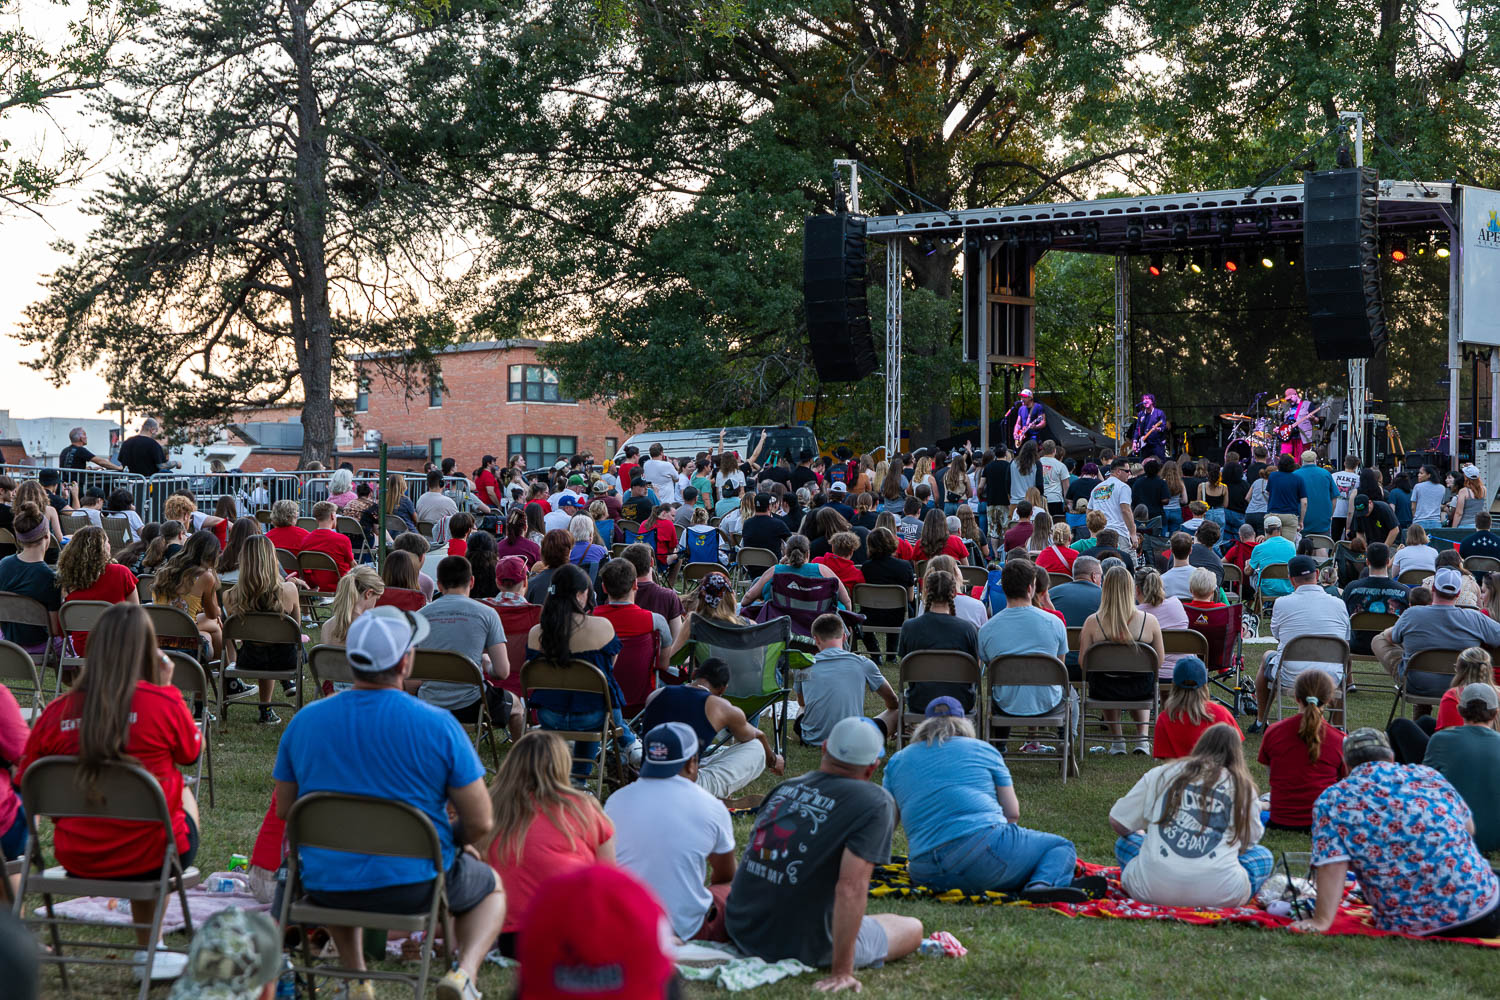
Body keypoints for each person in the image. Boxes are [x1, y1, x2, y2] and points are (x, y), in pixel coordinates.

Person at [273, 607, 504, 1000]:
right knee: (492, 887)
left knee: (343, 858)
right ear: (406, 660)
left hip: (326, 884)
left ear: (352, 659)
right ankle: (464, 974)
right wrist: (450, 840)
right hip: (416, 885)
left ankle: (357, 977)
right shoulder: (439, 725)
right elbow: (481, 821)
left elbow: (286, 812)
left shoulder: (305, 722)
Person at [20, 604, 200, 980]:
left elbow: (28, 783)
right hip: (154, 854)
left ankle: (149, 950)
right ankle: (151, 948)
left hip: (80, 854)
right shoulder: (162, 701)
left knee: (149, 805)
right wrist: (165, 689)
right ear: (147, 651)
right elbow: (191, 752)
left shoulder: (55, 712)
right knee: (178, 791)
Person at [727, 716, 923, 988]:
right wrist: (842, 970)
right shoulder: (875, 803)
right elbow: (851, 887)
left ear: (824, 749)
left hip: (741, 927)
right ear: (872, 767)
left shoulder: (785, 788)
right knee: (912, 927)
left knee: (877, 921)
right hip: (800, 943)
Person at [883, 697, 1100, 902]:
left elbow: (886, 825)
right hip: (983, 856)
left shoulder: (897, 760)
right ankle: (1042, 885)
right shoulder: (984, 750)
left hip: (925, 871)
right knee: (1060, 847)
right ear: (965, 723)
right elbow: (1012, 813)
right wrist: (1008, 852)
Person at [1293, 727, 1500, 938]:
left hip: (1409, 923)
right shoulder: (1427, 775)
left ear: (1346, 766)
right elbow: (1469, 828)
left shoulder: (1332, 799)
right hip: (1483, 909)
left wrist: (1322, 920)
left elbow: (1332, 864)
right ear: (1391, 757)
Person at [481, 731, 613, 958]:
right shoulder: (583, 808)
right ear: (563, 765)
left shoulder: (490, 808)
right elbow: (610, 879)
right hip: (574, 935)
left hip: (511, 940)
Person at [1108, 724, 1271, 908]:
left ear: (1200, 746)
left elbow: (1118, 820)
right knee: (1263, 856)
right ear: (1237, 755)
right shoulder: (1242, 787)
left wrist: (1141, 836)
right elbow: (1249, 842)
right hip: (1221, 894)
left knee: (1125, 843)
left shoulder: (1161, 773)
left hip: (1150, 890)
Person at [605, 722, 737, 943]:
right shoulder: (711, 806)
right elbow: (725, 875)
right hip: (687, 929)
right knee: (731, 891)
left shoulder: (615, 801)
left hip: (627, 925)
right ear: (692, 763)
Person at [527, 563, 642, 772]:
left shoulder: (536, 633)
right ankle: (582, 777)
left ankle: (625, 743)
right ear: (581, 594)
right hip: (593, 717)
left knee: (591, 699)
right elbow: (608, 673)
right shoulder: (602, 627)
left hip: (548, 715)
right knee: (596, 698)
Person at [414, 555, 522, 737]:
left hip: (428, 703)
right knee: (517, 705)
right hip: (472, 705)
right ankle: (521, 761)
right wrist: (486, 664)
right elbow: (503, 671)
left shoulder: (419, 616)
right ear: (471, 581)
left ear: (439, 585)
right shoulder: (487, 614)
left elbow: (411, 670)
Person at [1250, 555, 1351, 731]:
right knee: (1339, 666)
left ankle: (1260, 721)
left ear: (1291, 580)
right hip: (1330, 675)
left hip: (1291, 674)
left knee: (1268, 657)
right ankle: (1338, 727)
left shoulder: (1282, 603)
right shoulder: (1338, 604)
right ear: (1317, 574)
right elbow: (1345, 640)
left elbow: (1278, 635)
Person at [1373, 567, 1500, 699]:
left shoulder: (1412, 614)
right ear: (1458, 593)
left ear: (1433, 589)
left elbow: (1390, 638)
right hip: (1463, 685)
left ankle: (1419, 705)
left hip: (1416, 684)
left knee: (1379, 639)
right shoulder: (1475, 618)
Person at [1078, 565, 1164, 754]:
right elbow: (1158, 661)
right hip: (1141, 689)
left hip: (1104, 690)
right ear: (1131, 588)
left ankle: (1118, 740)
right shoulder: (1149, 621)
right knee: (1142, 675)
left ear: (1105, 589)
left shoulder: (1093, 622)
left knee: (1104, 676)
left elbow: (1084, 662)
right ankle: (1142, 739)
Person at [977, 559, 1067, 733]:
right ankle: (1065, 744)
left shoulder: (987, 629)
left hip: (1005, 702)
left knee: (1002, 688)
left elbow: (990, 667)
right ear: (1030, 588)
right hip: (1048, 701)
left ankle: (1000, 745)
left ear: (1004, 589)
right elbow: (1059, 667)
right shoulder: (1055, 623)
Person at [1421, 683, 1500, 853]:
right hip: (1493, 836)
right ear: (1495, 712)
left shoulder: (1440, 740)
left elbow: (1424, 791)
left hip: (1453, 833)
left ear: (1459, 710)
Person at [796, 613, 899, 743]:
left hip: (811, 738)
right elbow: (893, 700)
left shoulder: (803, 665)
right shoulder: (863, 663)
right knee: (897, 712)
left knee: (802, 709)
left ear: (816, 639)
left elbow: (802, 703)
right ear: (844, 637)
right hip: (854, 738)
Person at [896, 569, 980, 713]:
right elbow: (975, 668)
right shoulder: (968, 629)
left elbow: (906, 664)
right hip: (961, 700)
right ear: (954, 593)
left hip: (920, 700)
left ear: (926, 591)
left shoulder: (909, 627)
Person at [57, 524, 139, 652]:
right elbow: (135, 613)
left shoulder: (68, 580)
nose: (109, 545)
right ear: (102, 548)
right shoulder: (121, 573)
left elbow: (64, 628)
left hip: (83, 647)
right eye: (107, 541)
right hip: (118, 645)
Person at [153, 530, 224, 659]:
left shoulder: (163, 571)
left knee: (212, 625)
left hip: (158, 636)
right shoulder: (205, 577)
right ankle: (223, 673)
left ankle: (224, 672)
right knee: (215, 622)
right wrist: (218, 611)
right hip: (184, 637)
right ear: (211, 554)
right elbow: (212, 613)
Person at [1152, 657, 1240, 758]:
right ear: (1205, 685)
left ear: (1174, 684)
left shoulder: (1166, 717)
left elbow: (1165, 759)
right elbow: (1235, 750)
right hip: (1215, 771)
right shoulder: (1222, 714)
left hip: (1179, 772)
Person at [1342, 542, 1409, 654]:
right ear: (1388, 561)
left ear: (1367, 562)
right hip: (1391, 645)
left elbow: (1343, 617)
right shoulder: (1404, 591)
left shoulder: (1351, 589)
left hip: (1359, 645)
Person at [1135, 568, 1187, 679]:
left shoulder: (1134, 614)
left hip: (1151, 674)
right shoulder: (1176, 604)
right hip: (1184, 671)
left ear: (1137, 589)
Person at [297, 501, 354, 592]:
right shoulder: (342, 539)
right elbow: (352, 565)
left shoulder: (306, 540)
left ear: (316, 519)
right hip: (340, 584)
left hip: (315, 584)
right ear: (332, 516)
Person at [1087, 458, 1138, 550]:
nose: (1129, 473)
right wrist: (1133, 534)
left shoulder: (1097, 488)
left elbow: (1089, 511)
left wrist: (1092, 532)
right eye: (1127, 471)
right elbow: (1125, 510)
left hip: (1100, 534)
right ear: (1118, 471)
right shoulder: (1123, 487)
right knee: (1128, 562)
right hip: (1118, 533)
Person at [1247, 513, 1295, 599]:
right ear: (1280, 528)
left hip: (1266, 590)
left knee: (1252, 569)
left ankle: (1251, 601)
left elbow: (1248, 572)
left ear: (1265, 530)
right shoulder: (1291, 545)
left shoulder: (1259, 548)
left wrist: (1247, 564)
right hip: (1287, 589)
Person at [1293, 451, 1337, 537]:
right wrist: (1331, 514)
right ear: (1315, 460)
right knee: (1322, 545)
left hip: (1301, 519)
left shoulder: (1295, 475)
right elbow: (1334, 497)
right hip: (1322, 519)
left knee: (1302, 546)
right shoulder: (1325, 474)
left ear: (1302, 461)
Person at [1265, 453, 1306, 527]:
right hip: (1290, 515)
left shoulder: (1273, 476)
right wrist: (1301, 521)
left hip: (1274, 513)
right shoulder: (1298, 478)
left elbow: (1268, 493)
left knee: (1273, 538)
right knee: (1289, 539)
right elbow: (1304, 502)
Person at [414, 469, 460, 533]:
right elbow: (459, 522)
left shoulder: (421, 499)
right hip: (441, 540)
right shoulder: (448, 502)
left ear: (427, 484)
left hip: (424, 538)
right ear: (442, 483)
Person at [1450, 464, 1486, 529]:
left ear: (1466, 477)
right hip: (1478, 525)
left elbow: (1459, 513)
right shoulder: (1483, 489)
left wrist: (1453, 528)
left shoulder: (1463, 491)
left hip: (1465, 525)